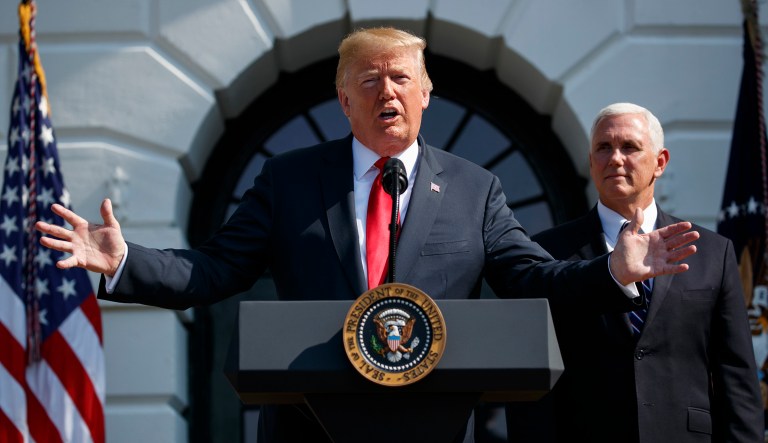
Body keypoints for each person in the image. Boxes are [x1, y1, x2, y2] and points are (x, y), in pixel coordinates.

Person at [36, 30, 699, 442]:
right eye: (370, 80)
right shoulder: (289, 180)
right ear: (344, 100)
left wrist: (613, 269)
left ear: (427, 94)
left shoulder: (475, 188)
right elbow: (214, 270)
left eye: (402, 78)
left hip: (436, 423)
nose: (389, 91)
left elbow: (532, 276)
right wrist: (125, 263)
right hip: (308, 425)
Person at [507, 102, 763, 443]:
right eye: (603, 148)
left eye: (629, 147)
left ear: (660, 162)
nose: (615, 158)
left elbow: (737, 377)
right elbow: (531, 377)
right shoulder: (549, 252)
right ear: (591, 161)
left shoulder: (712, 253)